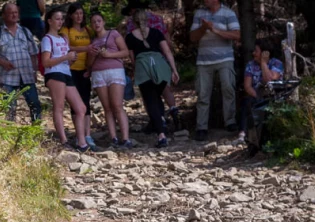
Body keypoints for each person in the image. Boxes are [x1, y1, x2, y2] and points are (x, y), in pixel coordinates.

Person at [125, 7, 179, 148]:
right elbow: (167, 51)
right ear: (147, 20)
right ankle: (171, 118)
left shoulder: (129, 37)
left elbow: (132, 59)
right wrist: (174, 70)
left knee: (151, 101)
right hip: (160, 67)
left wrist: (136, 71)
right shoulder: (156, 33)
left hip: (143, 68)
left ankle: (161, 135)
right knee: (159, 95)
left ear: (134, 22)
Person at [190, 0, 241, 141]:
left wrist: (215, 30)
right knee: (203, 93)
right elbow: (192, 37)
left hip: (225, 59)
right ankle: (201, 127)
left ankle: (230, 122)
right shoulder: (199, 13)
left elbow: (237, 35)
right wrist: (203, 28)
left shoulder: (228, 13)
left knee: (228, 89)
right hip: (204, 60)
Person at [0, 2, 42, 124]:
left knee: (35, 104)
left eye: (16, 12)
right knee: (9, 107)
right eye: (11, 13)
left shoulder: (25, 31)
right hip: (7, 77)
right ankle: (10, 131)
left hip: (26, 75)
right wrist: (2, 62)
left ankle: (37, 130)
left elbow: (33, 53)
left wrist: (34, 71)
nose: (14, 15)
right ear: (4, 15)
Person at [41, 7, 89, 151]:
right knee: (59, 107)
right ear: (49, 21)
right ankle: (63, 140)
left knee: (81, 108)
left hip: (66, 72)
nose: (60, 22)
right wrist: (65, 57)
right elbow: (45, 62)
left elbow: (65, 59)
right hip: (54, 73)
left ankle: (82, 142)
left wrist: (70, 59)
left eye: (61, 19)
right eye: (57, 19)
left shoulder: (63, 38)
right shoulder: (47, 39)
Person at [86, 12, 132, 148]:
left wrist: (109, 55)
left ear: (103, 22)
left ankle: (126, 138)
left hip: (115, 71)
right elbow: (88, 64)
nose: (97, 24)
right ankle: (113, 138)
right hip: (98, 73)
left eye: (99, 21)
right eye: (94, 22)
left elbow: (125, 52)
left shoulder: (113, 34)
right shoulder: (92, 41)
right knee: (107, 107)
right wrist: (93, 55)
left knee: (117, 105)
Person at [236, 38, 284, 144]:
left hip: (272, 96)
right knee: (247, 102)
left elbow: (269, 79)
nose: (253, 53)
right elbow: (247, 86)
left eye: (256, 51)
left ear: (264, 53)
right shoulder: (250, 65)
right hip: (256, 95)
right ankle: (243, 133)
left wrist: (263, 63)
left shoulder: (277, 63)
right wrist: (258, 96)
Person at [61, 3, 95, 147]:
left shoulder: (88, 30)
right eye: (76, 13)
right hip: (71, 69)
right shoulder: (66, 30)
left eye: (81, 13)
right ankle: (78, 134)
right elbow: (66, 47)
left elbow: (95, 44)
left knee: (86, 101)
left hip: (85, 69)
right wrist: (85, 48)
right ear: (70, 15)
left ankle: (87, 134)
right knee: (75, 103)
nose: (79, 16)